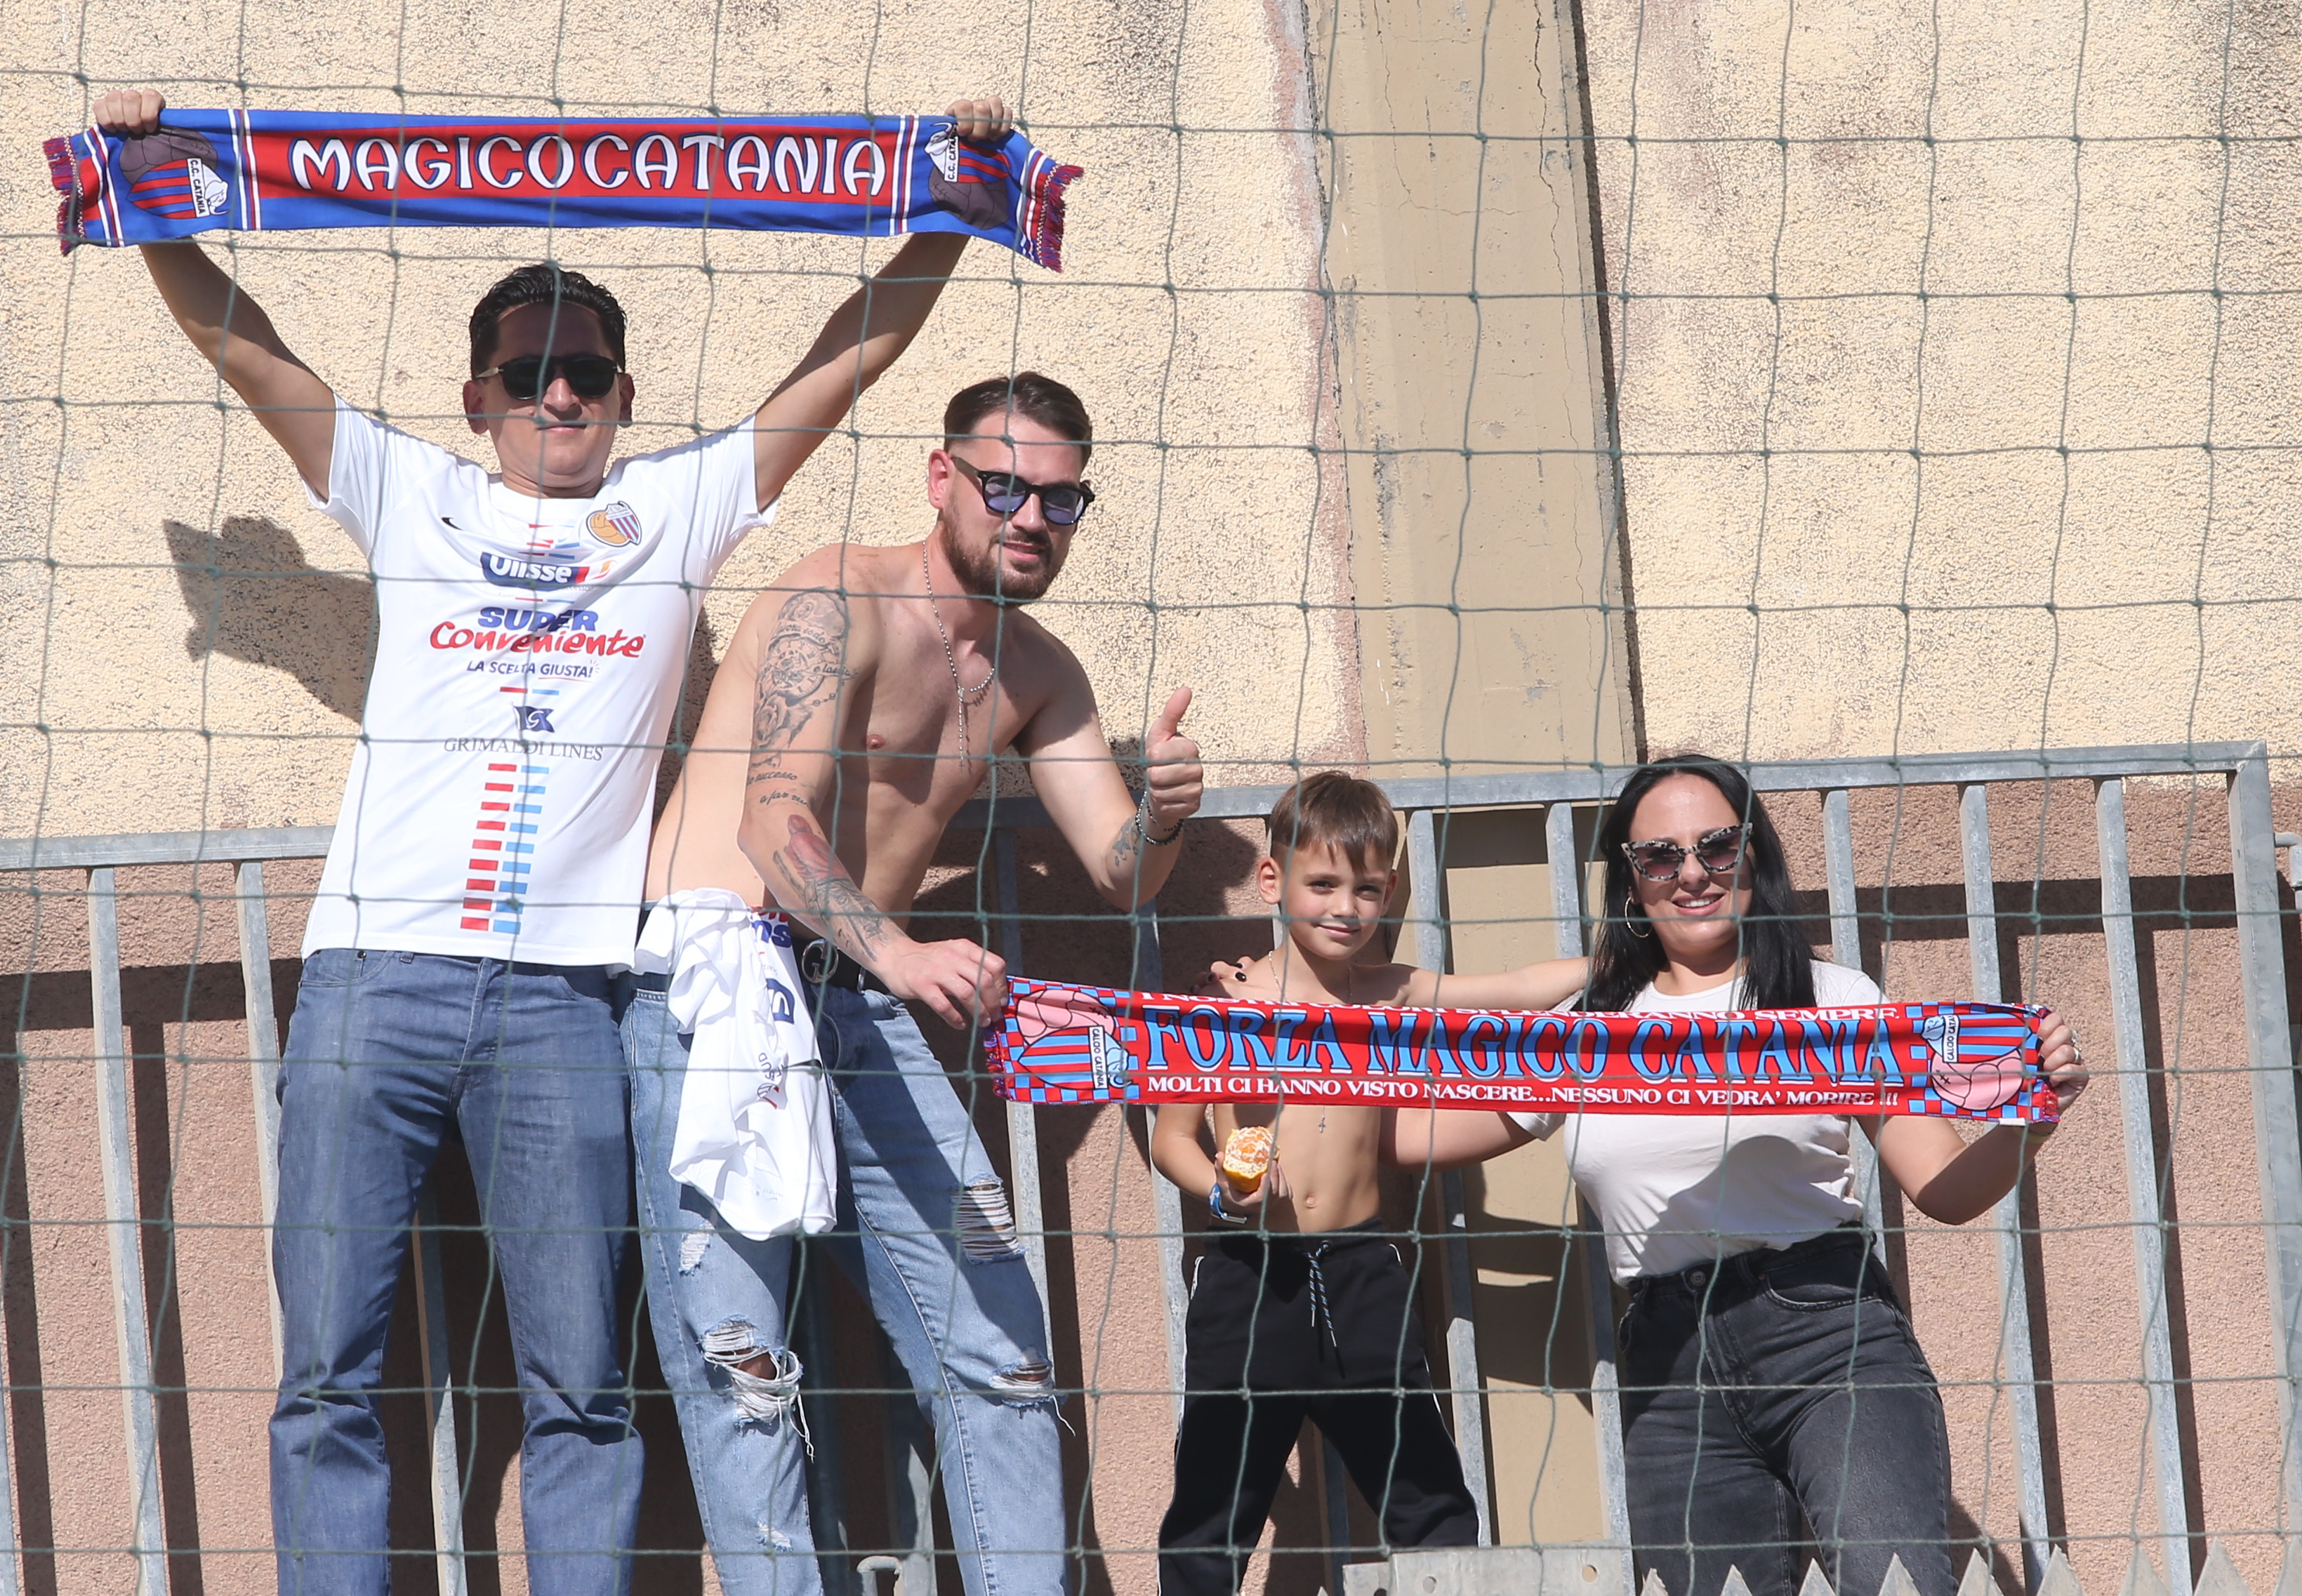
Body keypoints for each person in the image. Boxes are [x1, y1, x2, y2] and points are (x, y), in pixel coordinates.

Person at [89, 85, 1013, 1596]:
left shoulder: (678, 506)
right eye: (526, 375)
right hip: (369, 983)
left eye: (584, 373)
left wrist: (949, 210)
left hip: (563, 1004)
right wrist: (146, 196)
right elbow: (241, 345)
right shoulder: (410, 490)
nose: (559, 398)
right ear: (477, 399)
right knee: (329, 1369)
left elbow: (847, 358)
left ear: (624, 391)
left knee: (581, 1385)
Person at [630, 370, 1203, 1596]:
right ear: (941, 477)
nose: (1032, 517)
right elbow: (774, 820)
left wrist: (1157, 814)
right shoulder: (837, 600)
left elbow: (1123, 876)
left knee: (1001, 1346)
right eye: (1005, 486)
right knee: (742, 1367)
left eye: (1061, 497)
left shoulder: (1038, 669)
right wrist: (899, 950)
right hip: (721, 985)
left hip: (859, 998)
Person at [1389, 754, 2089, 1596]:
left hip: (1830, 1336)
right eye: (1660, 857)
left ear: (1756, 856)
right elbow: (1406, 1137)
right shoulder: (1587, 1034)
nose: (1693, 873)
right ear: (1631, 881)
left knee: (1892, 1583)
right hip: (1666, 1361)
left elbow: (1941, 1188)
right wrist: (1271, 1059)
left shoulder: (1833, 1002)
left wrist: (2032, 1120)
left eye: (1718, 846)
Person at [1149, 770, 1587, 1596]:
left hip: (1360, 1272)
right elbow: (1170, 1137)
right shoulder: (1216, 1004)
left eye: (1368, 889)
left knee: (1429, 1502)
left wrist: (1617, 960)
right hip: (1249, 1275)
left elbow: (1514, 991)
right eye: (1323, 884)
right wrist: (1219, 1188)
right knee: (1213, 1510)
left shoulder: (1391, 995)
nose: (1345, 908)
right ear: (1273, 880)